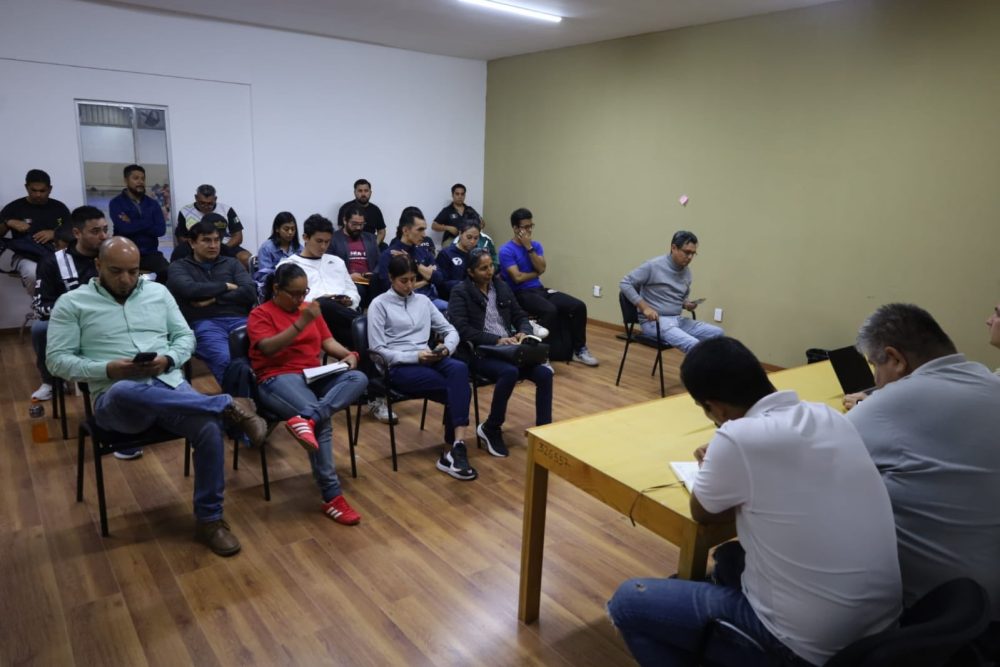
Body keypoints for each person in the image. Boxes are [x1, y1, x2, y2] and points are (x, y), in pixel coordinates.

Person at [608, 337, 901, 667]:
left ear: (715, 407)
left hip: (806, 648)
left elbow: (702, 512)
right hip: (880, 630)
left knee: (627, 603)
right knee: (729, 557)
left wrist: (716, 460)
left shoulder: (736, 438)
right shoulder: (828, 416)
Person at [46, 237, 267, 556]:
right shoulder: (73, 303)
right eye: (116, 271)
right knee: (125, 389)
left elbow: (185, 337)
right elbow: (57, 361)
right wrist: (108, 369)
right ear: (97, 265)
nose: (126, 279)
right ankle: (225, 402)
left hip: (169, 386)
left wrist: (168, 360)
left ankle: (210, 520)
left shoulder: (158, 293)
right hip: (117, 402)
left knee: (208, 429)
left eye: (133, 271)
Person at [843, 303, 1000, 622]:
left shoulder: (886, 407)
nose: (876, 379)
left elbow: (817, 460)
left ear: (896, 359)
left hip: (932, 610)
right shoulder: (989, 381)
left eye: (875, 365)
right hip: (984, 598)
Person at [248, 263, 368, 525]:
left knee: (357, 377)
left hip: (313, 375)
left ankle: (308, 418)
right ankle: (332, 496)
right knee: (323, 424)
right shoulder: (260, 314)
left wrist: (347, 354)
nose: (300, 298)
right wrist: (301, 323)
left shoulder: (309, 309)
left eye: (304, 292)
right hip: (276, 378)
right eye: (294, 293)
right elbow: (267, 348)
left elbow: (327, 342)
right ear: (276, 289)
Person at [368, 254, 476, 481]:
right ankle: (451, 451)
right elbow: (377, 351)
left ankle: (457, 445)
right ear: (391, 278)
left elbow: (451, 330)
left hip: (429, 356)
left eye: (412, 279)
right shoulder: (379, 305)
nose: (409, 285)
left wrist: (446, 348)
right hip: (399, 365)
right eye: (403, 280)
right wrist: (414, 356)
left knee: (459, 370)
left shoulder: (423, 302)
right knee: (456, 388)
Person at [448, 248, 553, 457]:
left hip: (509, 349)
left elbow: (519, 315)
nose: (489, 271)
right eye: (483, 268)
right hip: (479, 352)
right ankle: (491, 427)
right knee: (509, 372)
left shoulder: (501, 286)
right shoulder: (461, 291)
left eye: (491, 266)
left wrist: (524, 331)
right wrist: (496, 340)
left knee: (545, 373)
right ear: (470, 272)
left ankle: (544, 431)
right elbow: (462, 329)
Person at [498, 207, 597, 365]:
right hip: (520, 293)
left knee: (578, 306)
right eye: (525, 227)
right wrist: (535, 273)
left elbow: (542, 268)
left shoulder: (535, 246)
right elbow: (517, 278)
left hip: (539, 289)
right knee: (550, 310)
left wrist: (528, 247)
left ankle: (579, 349)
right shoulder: (506, 250)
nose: (529, 230)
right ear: (515, 228)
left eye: (531, 226)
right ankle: (538, 353)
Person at [30, 205, 108, 401]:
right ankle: (50, 382)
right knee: (40, 328)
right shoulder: (52, 262)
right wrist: (73, 309)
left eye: (106, 230)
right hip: (71, 320)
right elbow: (40, 307)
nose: (103, 236)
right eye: (95, 231)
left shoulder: (112, 254)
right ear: (77, 233)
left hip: (111, 315)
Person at [166, 220, 257, 386]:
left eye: (216, 240)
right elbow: (190, 290)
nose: (213, 245)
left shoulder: (232, 263)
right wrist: (226, 286)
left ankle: (263, 395)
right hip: (204, 323)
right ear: (192, 243)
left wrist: (216, 298)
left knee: (265, 352)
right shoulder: (179, 267)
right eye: (206, 240)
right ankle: (240, 399)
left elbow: (250, 291)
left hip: (240, 320)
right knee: (226, 359)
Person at [620, 230, 724, 353]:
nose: (690, 257)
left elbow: (680, 297)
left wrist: (686, 304)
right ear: (674, 248)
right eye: (687, 252)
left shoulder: (687, 272)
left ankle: (711, 364)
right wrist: (645, 308)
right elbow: (625, 283)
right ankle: (702, 365)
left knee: (718, 334)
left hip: (677, 320)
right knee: (694, 345)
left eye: (693, 253)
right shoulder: (653, 266)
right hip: (654, 322)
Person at [277, 214, 360, 347]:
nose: (323, 246)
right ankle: (367, 324)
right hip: (310, 318)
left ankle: (368, 334)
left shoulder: (337, 262)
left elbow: (352, 291)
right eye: (319, 241)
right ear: (305, 237)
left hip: (341, 317)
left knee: (359, 338)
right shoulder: (289, 266)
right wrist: (319, 300)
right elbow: (288, 301)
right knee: (323, 304)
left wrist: (350, 300)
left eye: (327, 242)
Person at [0, 169, 71, 296]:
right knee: (33, 274)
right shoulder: (14, 207)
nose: (38, 194)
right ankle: (40, 305)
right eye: (33, 190)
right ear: (26, 187)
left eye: (42, 191)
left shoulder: (60, 208)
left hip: (56, 253)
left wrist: (55, 233)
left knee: (71, 276)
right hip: (25, 256)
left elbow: (73, 234)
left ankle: (62, 304)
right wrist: (8, 222)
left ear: (50, 189)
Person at [378, 206, 447, 312]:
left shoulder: (424, 252)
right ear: (405, 230)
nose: (424, 235)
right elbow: (389, 288)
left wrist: (415, 264)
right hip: (402, 304)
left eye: (424, 229)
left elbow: (439, 279)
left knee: (453, 310)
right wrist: (426, 280)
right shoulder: (389, 255)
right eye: (420, 230)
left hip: (430, 301)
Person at [108, 164, 169, 281]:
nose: (140, 182)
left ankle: (157, 292)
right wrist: (149, 222)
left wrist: (132, 222)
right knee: (120, 278)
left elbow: (160, 231)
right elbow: (124, 229)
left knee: (167, 271)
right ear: (126, 180)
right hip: (124, 253)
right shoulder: (116, 203)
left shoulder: (152, 204)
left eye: (142, 178)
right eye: (136, 178)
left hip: (149, 253)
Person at [173, 184, 250, 268]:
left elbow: (238, 237)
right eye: (202, 203)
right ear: (196, 198)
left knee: (246, 258)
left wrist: (220, 248)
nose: (206, 206)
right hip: (198, 247)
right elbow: (181, 237)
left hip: (226, 245)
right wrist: (199, 248)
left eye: (210, 203)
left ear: (215, 199)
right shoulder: (185, 211)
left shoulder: (226, 210)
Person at [329, 206, 380, 308]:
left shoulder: (370, 238)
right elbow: (329, 265)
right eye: (354, 224)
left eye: (361, 224)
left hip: (370, 280)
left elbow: (380, 261)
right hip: (348, 281)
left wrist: (373, 274)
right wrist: (348, 276)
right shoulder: (333, 239)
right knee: (358, 289)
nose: (358, 228)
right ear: (345, 221)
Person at [435, 221, 480, 300]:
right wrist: (463, 285)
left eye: (476, 238)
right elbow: (441, 284)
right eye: (469, 237)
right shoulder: (446, 254)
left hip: (474, 297)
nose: (472, 241)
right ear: (460, 234)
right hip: (452, 298)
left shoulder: (478, 255)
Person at [254, 211, 301, 285]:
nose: (290, 232)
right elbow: (263, 276)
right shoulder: (266, 248)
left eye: (293, 229)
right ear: (277, 229)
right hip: (275, 285)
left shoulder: (299, 248)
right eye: (286, 229)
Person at [337, 178, 386, 247]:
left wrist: (374, 245)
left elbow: (381, 231)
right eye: (360, 191)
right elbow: (341, 231)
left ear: (370, 192)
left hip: (370, 243)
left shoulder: (375, 210)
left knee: (385, 247)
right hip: (350, 243)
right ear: (355, 192)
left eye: (366, 191)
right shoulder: (345, 208)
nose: (363, 194)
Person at [432, 183, 484, 247]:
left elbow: (481, 223)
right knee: (451, 249)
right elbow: (434, 226)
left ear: (465, 195)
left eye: (462, 194)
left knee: (480, 247)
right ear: (452, 195)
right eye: (457, 194)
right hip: (451, 239)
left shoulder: (470, 209)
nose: (460, 196)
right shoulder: (447, 210)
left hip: (467, 238)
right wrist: (448, 228)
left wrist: (480, 225)